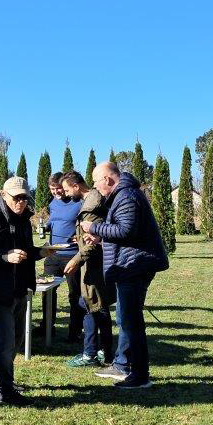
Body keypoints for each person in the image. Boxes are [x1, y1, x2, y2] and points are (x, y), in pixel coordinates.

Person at [82, 162, 169, 389]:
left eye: (96, 181)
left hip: (135, 266)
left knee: (131, 322)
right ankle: (124, 366)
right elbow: (127, 234)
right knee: (125, 318)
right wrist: (101, 240)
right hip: (129, 265)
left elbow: (125, 230)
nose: (95, 187)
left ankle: (140, 375)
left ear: (108, 179)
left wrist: (94, 228)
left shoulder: (127, 196)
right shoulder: (124, 195)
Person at [0, 176, 53, 405]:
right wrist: (4, 257)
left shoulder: (24, 218)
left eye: (25, 197)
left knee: (16, 338)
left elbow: (25, 250)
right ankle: (5, 393)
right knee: (4, 341)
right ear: (4, 196)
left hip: (18, 287)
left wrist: (40, 253)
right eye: (17, 197)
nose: (21, 202)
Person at [58, 171, 114, 368]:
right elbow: (91, 235)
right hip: (95, 264)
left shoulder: (91, 207)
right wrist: (79, 238)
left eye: (66, 189)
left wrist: (75, 260)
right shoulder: (91, 203)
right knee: (91, 304)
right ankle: (99, 351)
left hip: (95, 266)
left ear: (76, 186)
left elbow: (92, 244)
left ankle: (99, 353)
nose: (65, 193)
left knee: (94, 306)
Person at [42, 172, 84, 342]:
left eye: (58, 188)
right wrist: (46, 226)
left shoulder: (78, 202)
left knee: (75, 295)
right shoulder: (53, 203)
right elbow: (54, 220)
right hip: (53, 254)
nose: (56, 192)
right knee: (47, 291)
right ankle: (46, 327)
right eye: (52, 189)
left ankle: (75, 332)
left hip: (72, 255)